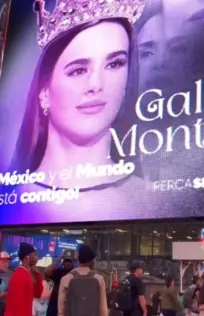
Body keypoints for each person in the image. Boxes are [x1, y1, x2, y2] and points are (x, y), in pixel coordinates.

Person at [5, 0, 145, 225]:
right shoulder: (12, 198)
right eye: (78, 70)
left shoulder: (149, 199)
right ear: (44, 93)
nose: (96, 84)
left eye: (114, 64)